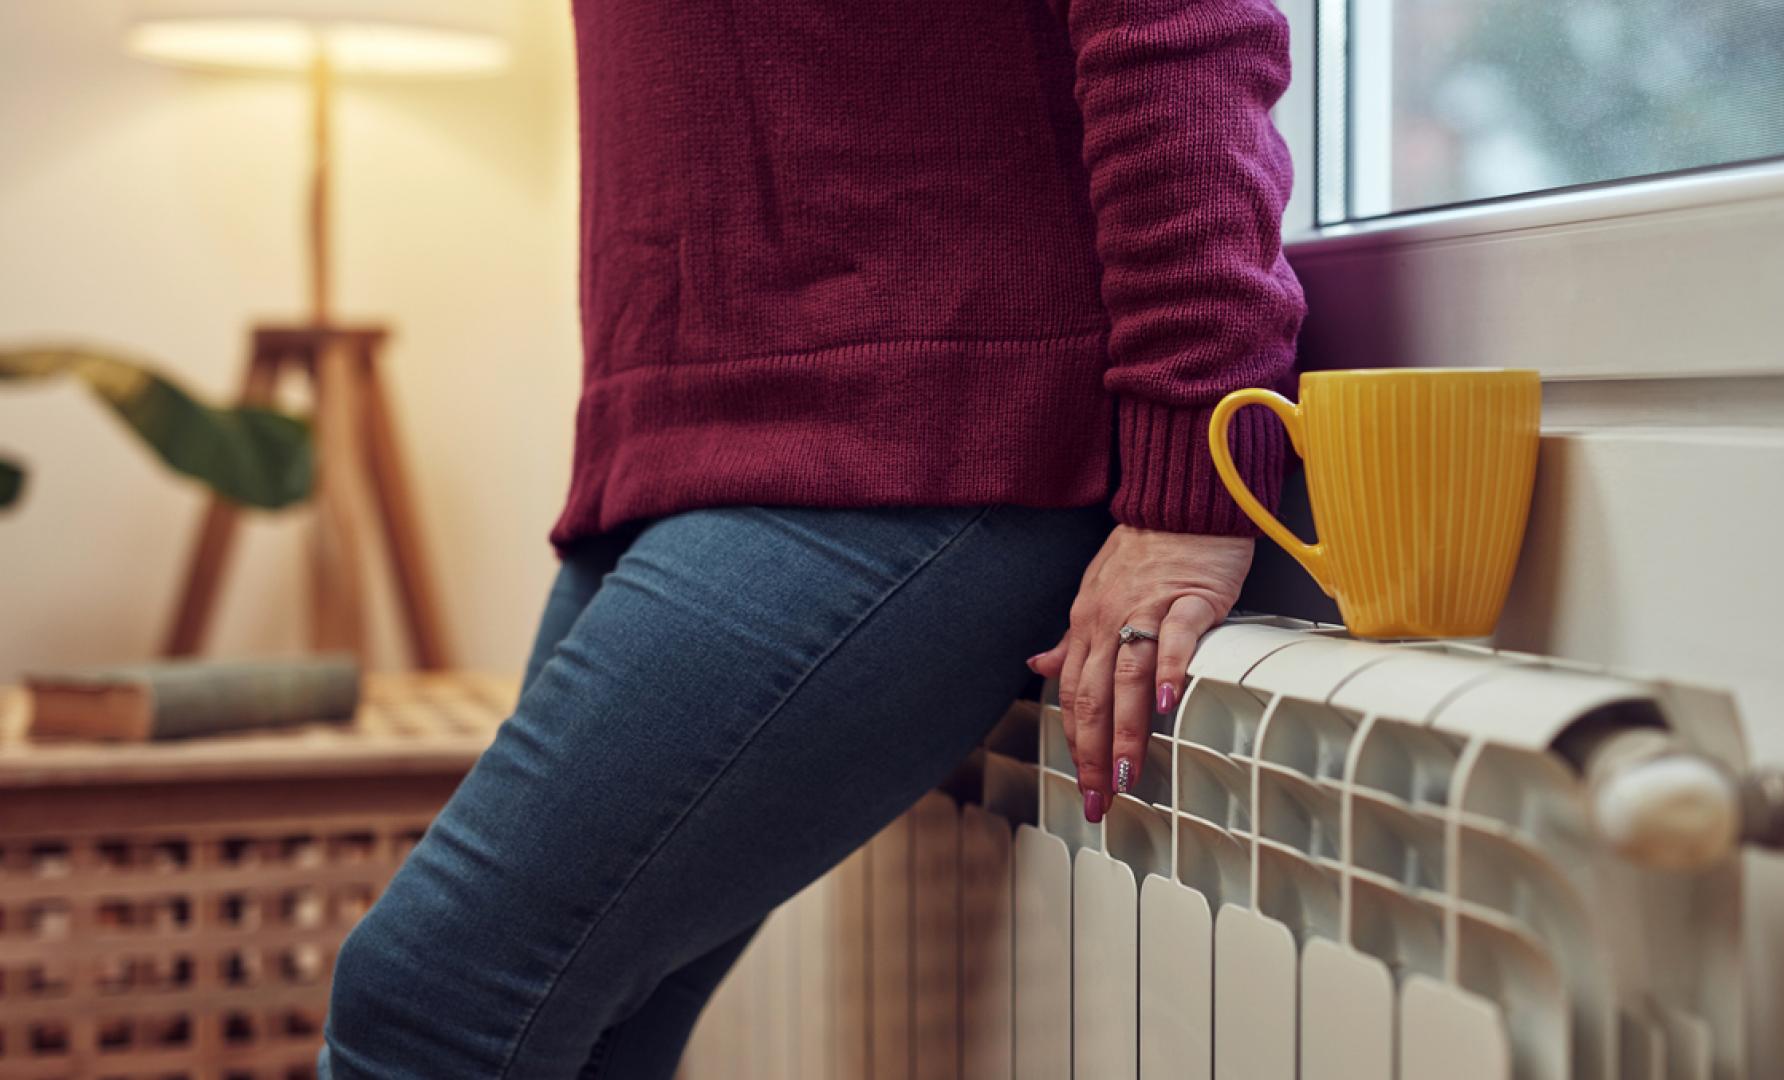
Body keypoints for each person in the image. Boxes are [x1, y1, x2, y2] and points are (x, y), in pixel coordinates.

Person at [320, 0, 1303, 1073]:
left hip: (923, 428)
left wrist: (1195, 453)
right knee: (587, 1042)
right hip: (672, 443)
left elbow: (1174, 21)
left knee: (424, 1002)